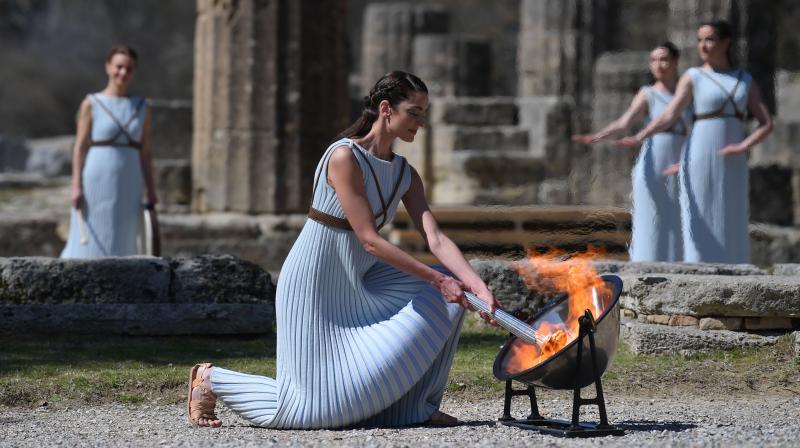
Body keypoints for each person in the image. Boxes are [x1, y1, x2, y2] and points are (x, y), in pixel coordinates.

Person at [187, 71, 500, 429]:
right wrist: (437, 279)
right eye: (414, 112)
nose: (421, 122)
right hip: (315, 282)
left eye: (423, 114)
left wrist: (476, 285)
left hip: (361, 280)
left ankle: (414, 407)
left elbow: (436, 238)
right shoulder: (344, 157)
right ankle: (212, 380)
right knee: (311, 410)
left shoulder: (406, 174)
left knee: (450, 298)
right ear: (386, 109)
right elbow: (368, 238)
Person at [616, 21, 773, 263]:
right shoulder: (693, 76)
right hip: (699, 150)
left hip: (732, 154)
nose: (703, 45)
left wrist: (743, 146)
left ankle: (735, 270)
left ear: (725, 43)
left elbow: (766, 123)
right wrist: (640, 135)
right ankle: (698, 268)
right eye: (700, 40)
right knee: (697, 211)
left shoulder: (744, 79)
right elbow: (669, 115)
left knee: (732, 212)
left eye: (709, 39)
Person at [573, 42, 691, 262]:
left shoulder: (686, 93)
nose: (658, 65)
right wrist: (598, 136)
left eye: (664, 59)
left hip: (680, 158)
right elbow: (624, 121)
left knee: (681, 214)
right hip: (654, 158)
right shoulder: (648, 94)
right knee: (652, 215)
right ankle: (647, 262)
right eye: (654, 60)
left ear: (675, 62)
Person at [61, 44, 158, 258]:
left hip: (130, 180)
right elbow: (79, 147)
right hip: (97, 177)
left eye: (129, 69)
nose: (123, 72)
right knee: (89, 235)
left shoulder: (142, 106)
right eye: (119, 67)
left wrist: (151, 190)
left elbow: (146, 151)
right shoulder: (91, 103)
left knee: (124, 235)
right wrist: (76, 185)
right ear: (108, 67)